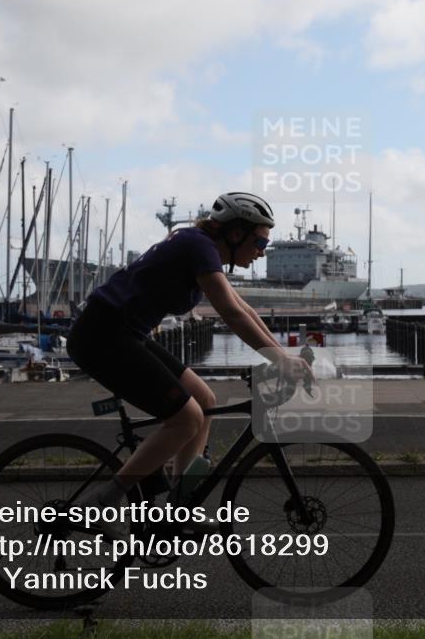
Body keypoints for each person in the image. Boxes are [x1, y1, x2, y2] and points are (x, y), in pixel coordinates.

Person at [66, 192, 312, 532]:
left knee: (205, 401)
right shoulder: (198, 247)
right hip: (102, 335)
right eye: (258, 241)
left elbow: (245, 311)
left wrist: (283, 357)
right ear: (235, 233)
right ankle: (98, 505)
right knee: (186, 419)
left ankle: (177, 512)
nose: (261, 252)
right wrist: (281, 360)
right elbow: (230, 314)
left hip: (126, 333)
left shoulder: (204, 250)